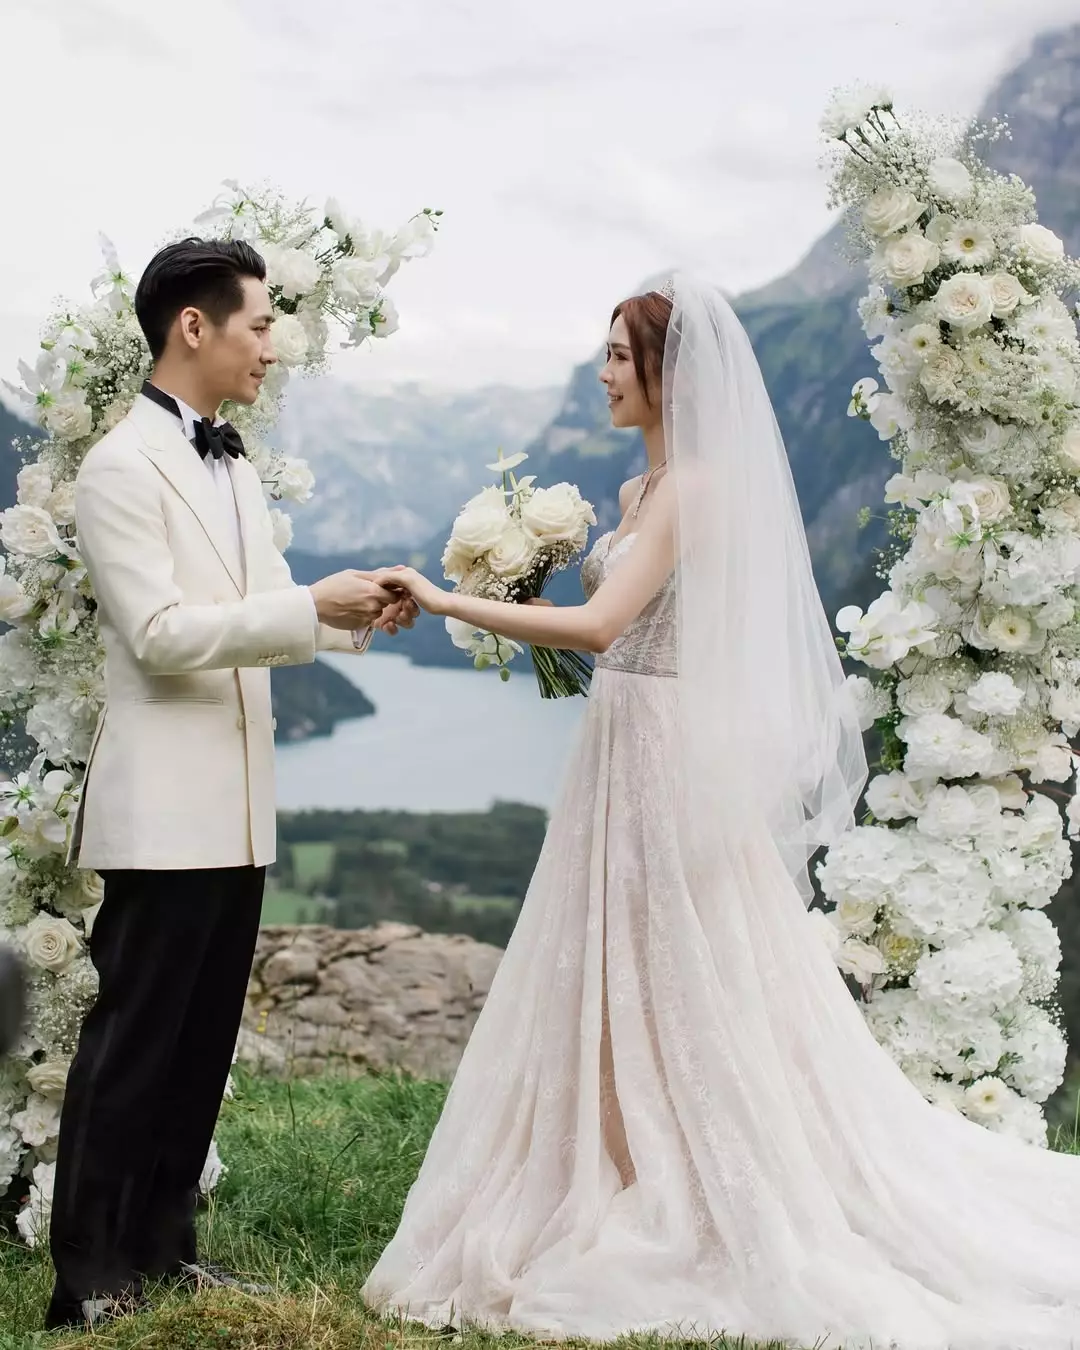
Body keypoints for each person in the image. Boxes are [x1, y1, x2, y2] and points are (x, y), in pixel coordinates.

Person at [361, 276, 1080, 1348]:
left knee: (681, 953)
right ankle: (618, 1158)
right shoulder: (639, 491)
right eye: (607, 353)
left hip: (664, 743)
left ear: (669, 374)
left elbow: (603, 627)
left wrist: (446, 597)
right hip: (622, 736)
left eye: (619, 355)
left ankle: (691, 1167)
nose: (603, 373)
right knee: (618, 950)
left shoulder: (691, 488)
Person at [46, 237, 415, 1332]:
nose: (272, 349)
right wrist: (306, 608)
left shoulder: (237, 466)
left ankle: (165, 1255)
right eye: (259, 326)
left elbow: (263, 606)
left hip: (239, 807)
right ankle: (87, 1280)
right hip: (163, 810)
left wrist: (347, 611)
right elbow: (161, 636)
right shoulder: (119, 467)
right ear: (194, 326)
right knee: (133, 1044)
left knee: (200, 1047)